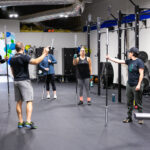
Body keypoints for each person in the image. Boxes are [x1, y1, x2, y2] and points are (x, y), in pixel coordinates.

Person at [10, 42, 49, 129]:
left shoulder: (12, 59)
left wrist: (17, 77)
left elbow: (12, 71)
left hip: (16, 81)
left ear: (16, 49)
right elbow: (36, 62)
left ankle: (20, 122)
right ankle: (28, 121)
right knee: (29, 101)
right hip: (24, 81)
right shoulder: (24, 57)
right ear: (23, 48)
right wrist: (44, 54)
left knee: (19, 102)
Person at [106, 47, 144, 124]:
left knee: (138, 102)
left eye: (129, 52)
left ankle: (140, 118)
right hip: (129, 84)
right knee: (129, 102)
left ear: (132, 53)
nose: (128, 53)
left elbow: (141, 74)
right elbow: (119, 61)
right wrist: (109, 58)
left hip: (136, 84)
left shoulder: (139, 62)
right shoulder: (129, 61)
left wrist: (139, 84)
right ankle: (129, 117)